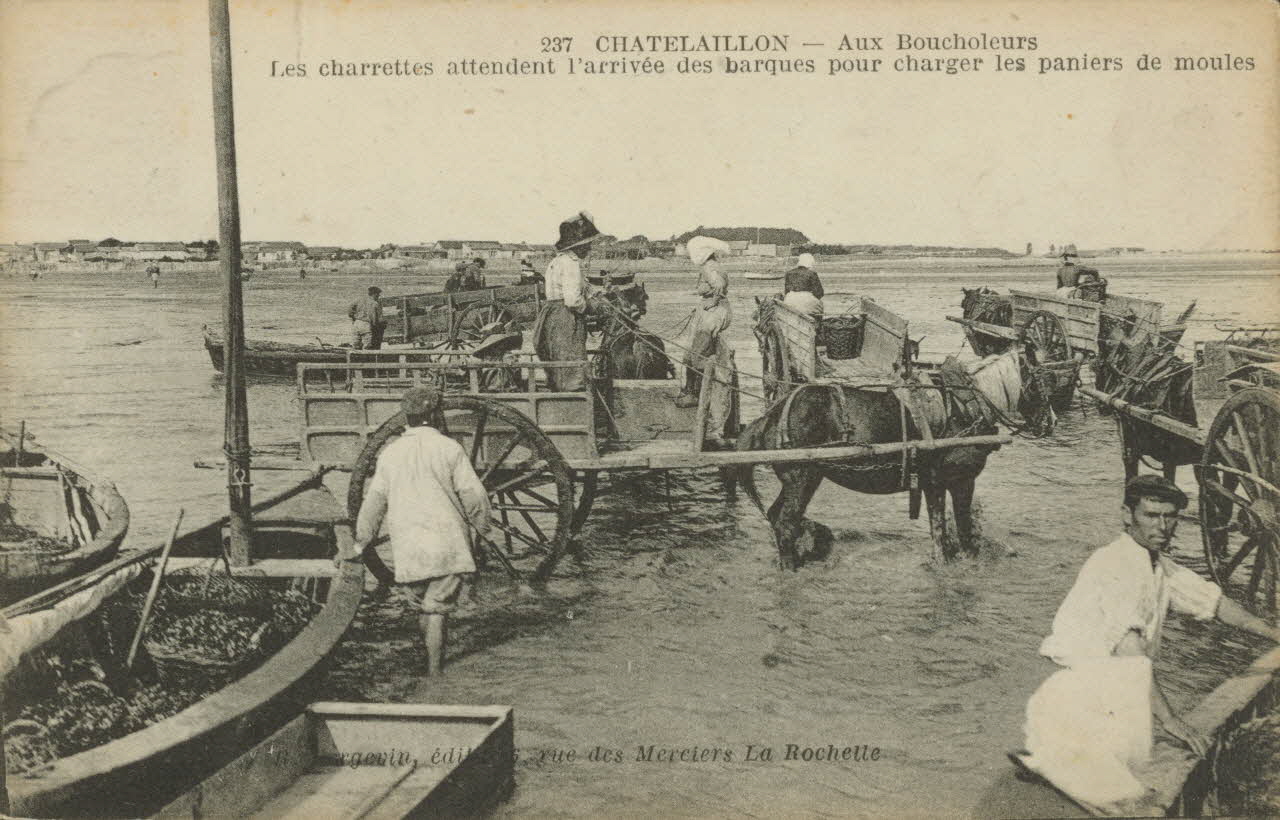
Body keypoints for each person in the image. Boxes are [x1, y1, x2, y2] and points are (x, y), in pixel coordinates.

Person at [1020, 475, 1280, 808]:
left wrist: (1272, 633)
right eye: (1151, 515)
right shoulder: (1118, 564)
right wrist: (1171, 721)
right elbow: (1130, 653)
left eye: (1169, 516)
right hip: (1079, 688)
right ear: (1127, 515)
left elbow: (1215, 604)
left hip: (1105, 687)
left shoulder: (1158, 566)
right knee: (1125, 792)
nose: (1163, 526)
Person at [342, 385, 492, 676]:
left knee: (422, 606)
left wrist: (361, 544)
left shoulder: (390, 453)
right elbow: (474, 497)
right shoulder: (449, 449)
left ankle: (424, 668)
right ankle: (436, 675)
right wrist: (483, 531)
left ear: (405, 416)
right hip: (446, 543)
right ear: (436, 414)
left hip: (408, 546)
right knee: (436, 610)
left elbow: (373, 504)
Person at [676, 236, 734, 449]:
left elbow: (718, 285)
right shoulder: (712, 265)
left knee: (696, 354)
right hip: (712, 311)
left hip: (714, 313)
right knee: (694, 351)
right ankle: (694, 390)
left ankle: (696, 393)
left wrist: (712, 302)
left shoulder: (710, 267)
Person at [534, 211, 600, 391]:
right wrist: (590, 307)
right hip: (565, 317)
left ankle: (560, 392)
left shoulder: (557, 261)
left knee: (557, 362)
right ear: (579, 245)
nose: (589, 249)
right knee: (572, 364)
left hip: (551, 315)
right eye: (588, 244)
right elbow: (572, 300)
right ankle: (574, 399)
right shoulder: (571, 263)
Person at [783, 252, 824, 316]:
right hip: (806, 301)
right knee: (820, 306)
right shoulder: (812, 273)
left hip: (789, 301)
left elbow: (786, 291)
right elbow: (819, 293)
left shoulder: (789, 273)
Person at [348, 285, 384, 349]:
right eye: (378, 294)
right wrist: (376, 326)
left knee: (355, 344)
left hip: (356, 323)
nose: (379, 296)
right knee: (367, 346)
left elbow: (350, 308)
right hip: (366, 324)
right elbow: (374, 318)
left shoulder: (359, 299)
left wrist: (353, 317)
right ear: (374, 294)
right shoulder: (374, 303)